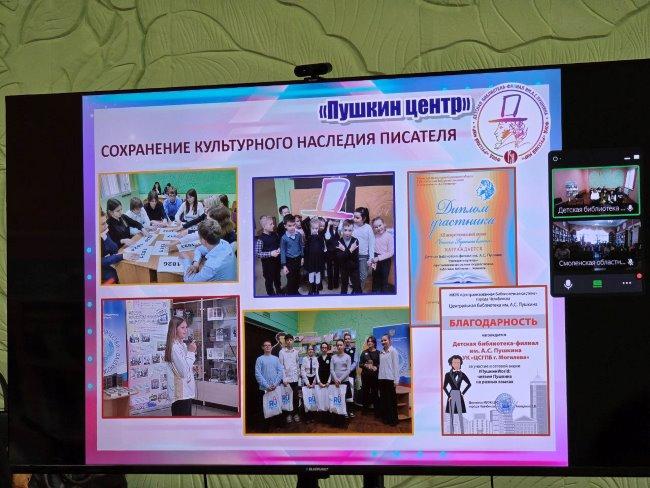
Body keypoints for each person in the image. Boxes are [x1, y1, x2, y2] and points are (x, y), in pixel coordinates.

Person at [164, 316, 196, 416]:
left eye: (186, 327)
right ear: (175, 329)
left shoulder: (181, 345)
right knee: (182, 421)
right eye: (182, 328)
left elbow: (184, 365)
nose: (185, 330)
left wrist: (191, 367)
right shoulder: (174, 347)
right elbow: (183, 372)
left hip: (186, 391)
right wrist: (191, 353)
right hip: (180, 393)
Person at [100, 209, 134, 284]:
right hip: (94, 268)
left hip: (106, 260)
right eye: (103, 224)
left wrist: (105, 237)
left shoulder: (103, 232)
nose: (107, 225)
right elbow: (98, 261)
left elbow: (114, 249)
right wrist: (121, 256)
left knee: (124, 270)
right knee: (115, 275)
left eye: (106, 222)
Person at [254, 340, 283, 427]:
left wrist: (275, 384)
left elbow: (280, 372)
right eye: (265, 345)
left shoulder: (276, 359)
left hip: (275, 388)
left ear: (271, 347)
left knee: (276, 405)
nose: (267, 347)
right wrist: (266, 386)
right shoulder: (259, 359)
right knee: (265, 408)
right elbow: (258, 374)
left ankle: (276, 425)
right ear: (262, 347)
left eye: (269, 345)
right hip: (264, 389)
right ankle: (266, 427)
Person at [443, 354, 471, 434]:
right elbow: (444, 387)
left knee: (460, 414)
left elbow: (469, 384)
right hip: (451, 394)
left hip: (459, 393)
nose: (456, 364)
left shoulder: (462, 374)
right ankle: (451, 433)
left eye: (458, 362)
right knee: (451, 414)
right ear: (451, 364)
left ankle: (462, 432)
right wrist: (449, 396)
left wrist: (463, 393)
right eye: (454, 362)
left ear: (461, 363)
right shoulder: (447, 374)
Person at [255, 215, 282, 296]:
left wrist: (279, 248)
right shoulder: (260, 239)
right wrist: (270, 253)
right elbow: (257, 254)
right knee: (269, 281)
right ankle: (271, 295)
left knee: (277, 278)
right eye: (271, 224)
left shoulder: (275, 234)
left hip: (277, 263)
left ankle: (279, 291)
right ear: (264, 226)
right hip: (268, 266)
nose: (273, 225)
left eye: (273, 223)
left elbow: (279, 243)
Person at [378, 334, 400, 426]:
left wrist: (396, 380)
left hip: (390, 379)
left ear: (389, 341)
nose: (383, 342)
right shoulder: (381, 352)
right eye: (382, 340)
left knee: (391, 401)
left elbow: (396, 367)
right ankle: (386, 419)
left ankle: (393, 420)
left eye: (385, 340)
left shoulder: (393, 351)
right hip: (381, 379)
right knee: (384, 401)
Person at [278, 334, 300, 423]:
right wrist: (284, 379)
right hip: (286, 380)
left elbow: (297, 364)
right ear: (285, 342)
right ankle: (288, 415)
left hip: (295, 379)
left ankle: (295, 414)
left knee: (295, 398)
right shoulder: (282, 352)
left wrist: (298, 376)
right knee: (287, 399)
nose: (289, 341)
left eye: (291, 340)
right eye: (287, 340)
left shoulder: (296, 352)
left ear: (293, 341)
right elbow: (281, 367)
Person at [280, 214, 304, 295]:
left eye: (293, 225)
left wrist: (302, 257)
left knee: (297, 277)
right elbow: (282, 252)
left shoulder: (299, 235)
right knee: (291, 279)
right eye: (289, 226)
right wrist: (284, 265)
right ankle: (290, 294)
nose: (292, 227)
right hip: (289, 261)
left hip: (298, 259)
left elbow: (301, 246)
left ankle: (296, 291)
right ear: (285, 226)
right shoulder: (284, 238)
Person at [337, 219, 361, 294]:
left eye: (350, 230)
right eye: (345, 230)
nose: (347, 232)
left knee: (357, 287)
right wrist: (350, 250)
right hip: (344, 268)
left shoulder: (355, 241)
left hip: (354, 268)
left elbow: (354, 257)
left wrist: (344, 250)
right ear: (342, 230)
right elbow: (340, 258)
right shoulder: (339, 242)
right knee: (344, 286)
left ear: (352, 230)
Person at [370, 217, 394, 293]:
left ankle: (384, 294)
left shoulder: (389, 236)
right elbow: (372, 248)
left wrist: (378, 258)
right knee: (375, 278)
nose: (378, 228)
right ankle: (374, 294)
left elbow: (391, 252)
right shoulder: (374, 236)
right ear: (373, 228)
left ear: (384, 224)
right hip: (375, 259)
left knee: (384, 279)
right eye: (376, 227)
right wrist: (372, 258)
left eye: (380, 225)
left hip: (385, 261)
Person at [330, 339, 353, 419]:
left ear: (344, 346)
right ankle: (336, 412)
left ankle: (345, 412)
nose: (339, 347)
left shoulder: (348, 357)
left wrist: (340, 380)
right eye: (338, 345)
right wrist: (336, 379)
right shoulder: (333, 357)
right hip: (335, 382)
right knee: (336, 398)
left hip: (344, 381)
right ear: (336, 347)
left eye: (341, 345)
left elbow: (348, 370)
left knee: (344, 398)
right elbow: (332, 370)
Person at [304, 218, 327, 295]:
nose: (315, 230)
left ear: (318, 228)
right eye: (313, 228)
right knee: (311, 274)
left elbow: (322, 249)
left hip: (318, 260)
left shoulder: (321, 238)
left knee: (317, 274)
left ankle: (317, 290)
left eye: (316, 228)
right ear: (310, 228)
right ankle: (311, 289)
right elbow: (306, 250)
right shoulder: (308, 238)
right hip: (310, 260)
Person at [359, 336, 380, 413]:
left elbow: (380, 364)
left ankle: (377, 411)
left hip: (375, 377)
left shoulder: (378, 353)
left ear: (374, 343)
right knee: (365, 392)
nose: (369, 342)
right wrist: (365, 365)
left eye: (371, 341)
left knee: (375, 392)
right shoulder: (364, 352)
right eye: (368, 341)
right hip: (365, 376)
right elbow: (360, 364)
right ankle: (365, 410)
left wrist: (376, 367)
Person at [300, 344, 319, 422]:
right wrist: (307, 382)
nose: (310, 351)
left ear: (314, 351)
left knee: (314, 398)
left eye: (312, 349)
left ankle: (314, 415)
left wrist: (314, 381)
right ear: (307, 351)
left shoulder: (316, 359)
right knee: (307, 398)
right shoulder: (304, 359)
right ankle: (307, 416)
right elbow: (302, 371)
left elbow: (317, 371)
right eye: (309, 349)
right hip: (306, 379)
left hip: (314, 379)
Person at [343, 332, 357, 415]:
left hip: (351, 374)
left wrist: (348, 370)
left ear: (351, 340)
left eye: (348, 339)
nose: (347, 340)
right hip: (342, 375)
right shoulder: (341, 350)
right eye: (346, 339)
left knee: (351, 391)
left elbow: (355, 362)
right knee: (344, 392)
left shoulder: (354, 349)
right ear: (344, 340)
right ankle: (344, 410)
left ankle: (351, 410)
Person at [324, 219, 341, 290]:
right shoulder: (328, 229)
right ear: (331, 221)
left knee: (337, 268)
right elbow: (327, 237)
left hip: (337, 252)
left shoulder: (340, 229)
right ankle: (330, 284)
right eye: (334, 221)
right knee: (329, 268)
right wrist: (328, 225)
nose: (335, 223)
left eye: (337, 221)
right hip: (329, 252)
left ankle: (336, 284)